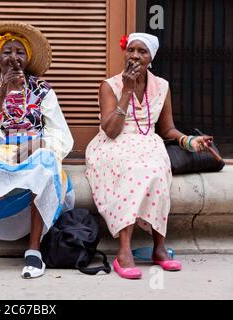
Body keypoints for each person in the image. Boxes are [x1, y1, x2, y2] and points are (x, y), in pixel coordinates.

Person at [85, 33, 213, 279]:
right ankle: (124, 251)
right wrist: (127, 91)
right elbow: (110, 131)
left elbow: (166, 129)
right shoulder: (109, 85)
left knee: (156, 170)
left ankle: (159, 248)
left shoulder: (162, 86)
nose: (134, 55)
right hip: (114, 144)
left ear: (151, 57)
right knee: (133, 170)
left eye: (141, 51)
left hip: (148, 143)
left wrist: (188, 140)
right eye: (131, 50)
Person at [0, 22, 74, 280]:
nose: (13, 58)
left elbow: (62, 134)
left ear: (27, 59)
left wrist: (37, 144)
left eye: (19, 52)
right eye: (6, 52)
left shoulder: (43, 90)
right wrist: (1, 94)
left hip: (33, 147)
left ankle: (34, 250)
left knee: (47, 161)